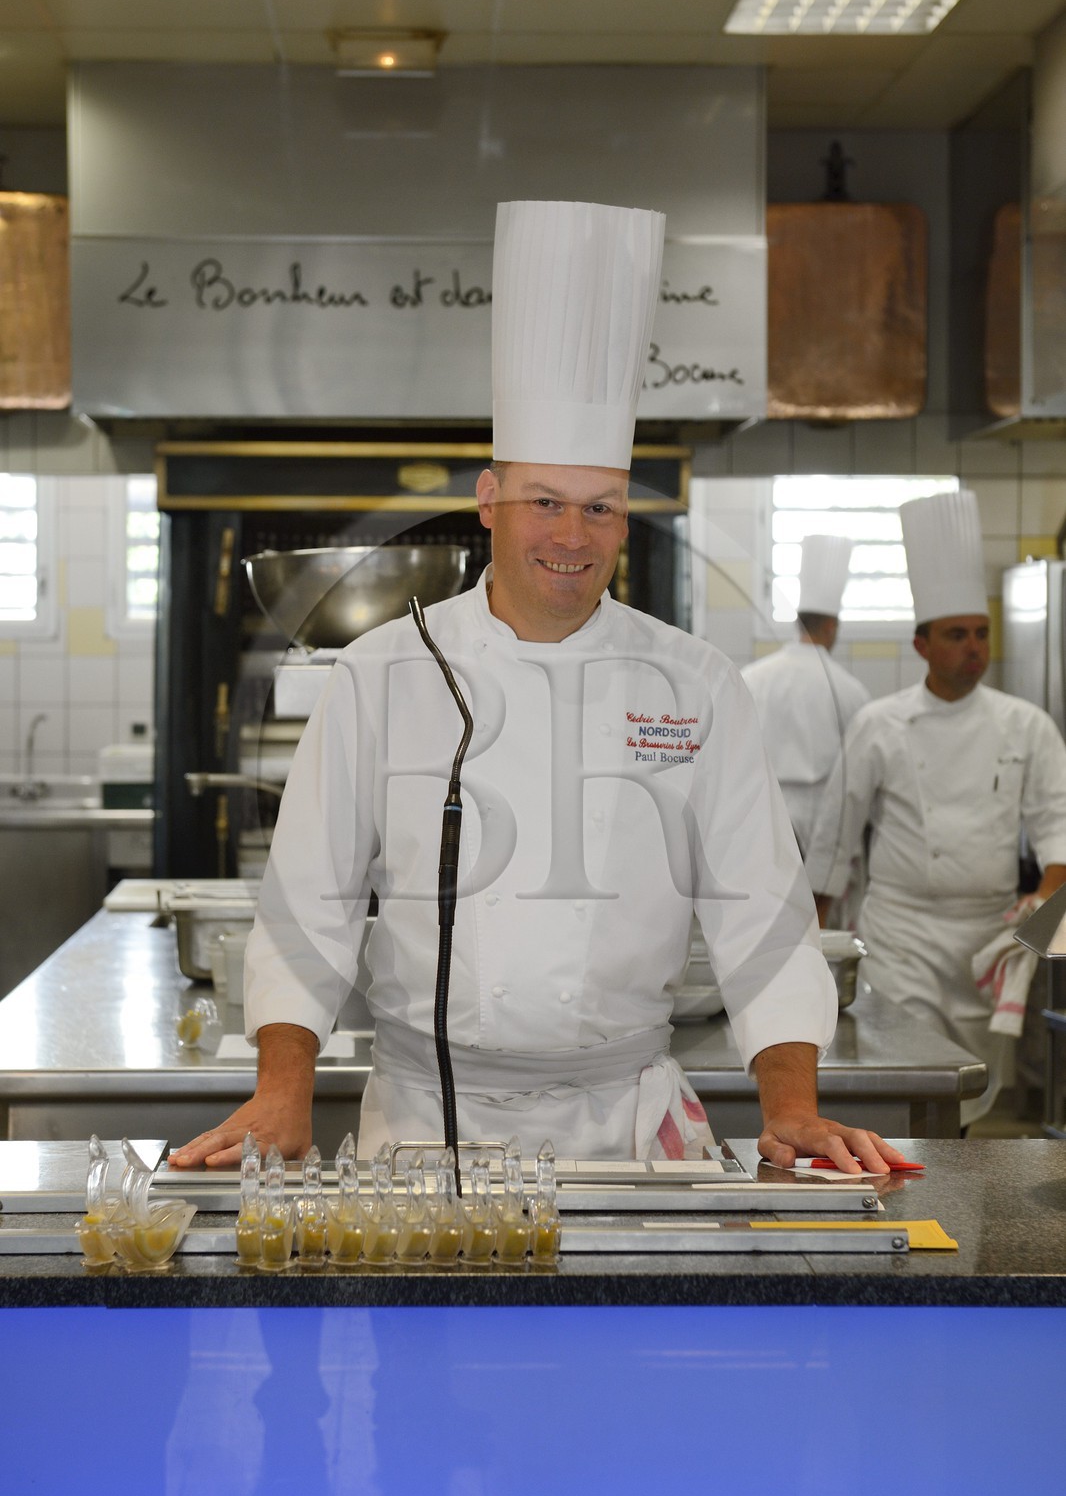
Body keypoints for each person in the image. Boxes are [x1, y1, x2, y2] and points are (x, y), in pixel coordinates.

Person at [172, 199, 903, 1175]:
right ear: (488, 502)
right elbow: (311, 902)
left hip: (627, 1133)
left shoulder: (695, 683)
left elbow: (760, 915)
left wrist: (795, 1108)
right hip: (425, 1136)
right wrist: (279, 1095)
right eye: (544, 503)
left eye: (598, 508)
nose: (571, 535)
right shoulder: (381, 672)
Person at [804, 490, 1066, 1127]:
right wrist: (809, 939)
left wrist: (1036, 925)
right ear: (922, 645)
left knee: (972, 1092)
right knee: (909, 1080)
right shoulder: (880, 724)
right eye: (956, 636)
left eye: (980, 635)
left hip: (990, 938)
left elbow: (1059, 831)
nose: (972, 648)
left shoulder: (1026, 725)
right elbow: (836, 839)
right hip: (903, 936)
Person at [741, 534, 869, 858]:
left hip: (761, 813)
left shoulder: (753, 678)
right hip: (823, 823)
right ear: (831, 627)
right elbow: (860, 769)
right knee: (817, 907)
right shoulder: (850, 690)